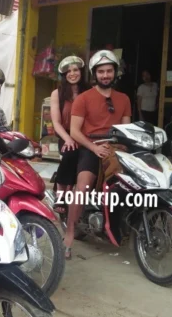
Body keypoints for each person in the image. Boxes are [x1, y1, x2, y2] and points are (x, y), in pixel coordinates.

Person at [65, 50, 131, 260]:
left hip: (115, 149)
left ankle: (119, 226)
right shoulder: (83, 98)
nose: (105, 75)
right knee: (82, 187)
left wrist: (122, 147)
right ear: (95, 74)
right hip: (90, 147)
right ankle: (69, 235)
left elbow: (126, 130)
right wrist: (94, 148)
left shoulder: (124, 99)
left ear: (115, 72)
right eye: (101, 71)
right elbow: (75, 132)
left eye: (109, 71)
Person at [49, 56, 90, 213]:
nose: (72, 74)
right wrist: (67, 138)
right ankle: (61, 193)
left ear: (81, 72)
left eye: (76, 70)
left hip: (86, 135)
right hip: (65, 134)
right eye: (68, 71)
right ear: (64, 75)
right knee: (71, 152)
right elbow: (56, 122)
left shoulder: (89, 92)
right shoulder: (57, 94)